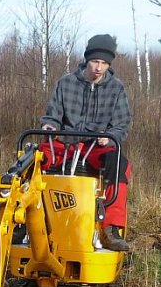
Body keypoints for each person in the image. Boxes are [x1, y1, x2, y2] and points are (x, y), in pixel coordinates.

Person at [41, 33, 132, 253]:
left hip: (97, 146)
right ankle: (28, 222)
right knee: (36, 159)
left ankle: (111, 228)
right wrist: (50, 126)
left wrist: (109, 135)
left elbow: (122, 125)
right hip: (68, 142)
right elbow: (52, 115)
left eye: (103, 63)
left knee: (118, 162)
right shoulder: (66, 83)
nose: (99, 68)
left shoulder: (116, 89)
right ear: (86, 60)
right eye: (95, 62)